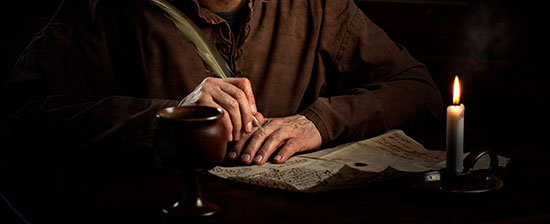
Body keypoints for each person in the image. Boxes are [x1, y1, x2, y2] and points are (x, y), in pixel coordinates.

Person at [1, 0, 442, 168]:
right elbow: (21, 115)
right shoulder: (103, 7)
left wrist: (319, 123)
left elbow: (417, 87)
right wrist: (170, 116)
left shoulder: (316, 6)